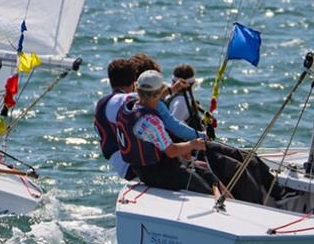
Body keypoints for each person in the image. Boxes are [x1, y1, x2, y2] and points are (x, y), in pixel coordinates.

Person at [117, 70, 270, 203]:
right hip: (159, 175)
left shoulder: (129, 107)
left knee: (206, 171)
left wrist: (171, 90)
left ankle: (230, 202)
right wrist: (193, 144)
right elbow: (171, 150)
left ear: (137, 89)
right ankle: (226, 208)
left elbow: (151, 99)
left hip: (143, 171)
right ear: (157, 93)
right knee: (208, 186)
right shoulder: (151, 121)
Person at [94, 58, 206, 180]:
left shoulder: (103, 103)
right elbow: (169, 121)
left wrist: (171, 90)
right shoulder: (127, 99)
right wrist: (201, 137)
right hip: (136, 167)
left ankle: (188, 162)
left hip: (120, 165)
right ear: (134, 82)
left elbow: (149, 98)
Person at [166, 63, 215, 139]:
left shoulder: (168, 95)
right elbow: (173, 128)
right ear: (193, 83)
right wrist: (202, 135)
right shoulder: (182, 102)